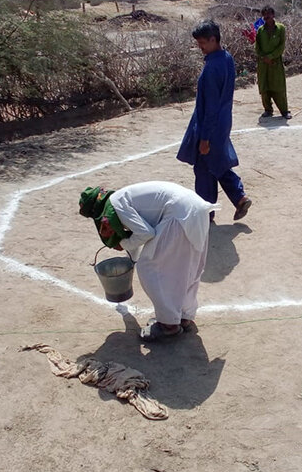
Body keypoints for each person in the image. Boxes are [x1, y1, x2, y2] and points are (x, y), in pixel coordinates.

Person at [79, 181, 219, 341]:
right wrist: (130, 258)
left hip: (177, 216)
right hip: (196, 210)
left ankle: (168, 325)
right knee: (186, 269)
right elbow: (137, 233)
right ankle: (183, 316)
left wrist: (122, 244)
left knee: (150, 268)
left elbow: (145, 233)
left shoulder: (117, 205)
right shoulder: (122, 197)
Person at [177, 19, 252, 223]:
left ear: (213, 39)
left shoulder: (212, 68)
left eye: (202, 43)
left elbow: (210, 107)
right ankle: (239, 197)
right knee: (216, 164)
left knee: (204, 169)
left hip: (210, 125)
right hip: (222, 122)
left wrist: (204, 138)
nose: (200, 47)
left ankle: (204, 213)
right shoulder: (226, 58)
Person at [255, 5, 291, 120]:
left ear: (273, 15)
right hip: (263, 64)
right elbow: (257, 47)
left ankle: (284, 111)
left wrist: (271, 57)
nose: (267, 17)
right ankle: (268, 110)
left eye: (268, 15)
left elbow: (281, 46)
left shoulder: (281, 28)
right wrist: (263, 58)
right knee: (264, 87)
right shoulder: (260, 30)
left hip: (275, 63)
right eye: (264, 16)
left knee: (278, 87)